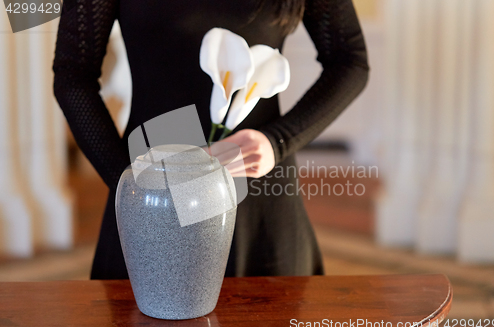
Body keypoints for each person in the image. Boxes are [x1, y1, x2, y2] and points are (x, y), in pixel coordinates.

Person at [53, 0, 369, 279]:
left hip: (258, 197)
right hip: (149, 189)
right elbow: (72, 73)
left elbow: (349, 59)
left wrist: (279, 141)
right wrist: (130, 183)